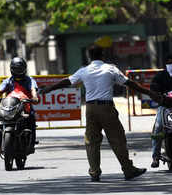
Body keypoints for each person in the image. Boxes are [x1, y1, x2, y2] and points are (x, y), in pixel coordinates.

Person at [40, 44, 162, 182]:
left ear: (89, 56)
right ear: (103, 55)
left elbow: (67, 81)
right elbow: (130, 83)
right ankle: (128, 169)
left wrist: (49, 89)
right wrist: (149, 93)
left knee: (91, 141)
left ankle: (94, 172)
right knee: (117, 139)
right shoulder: (110, 69)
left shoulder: (84, 71)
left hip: (91, 109)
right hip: (106, 108)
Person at [0, 57, 39, 154]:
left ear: (24, 69)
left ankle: (31, 143)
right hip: (9, 107)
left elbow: (33, 90)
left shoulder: (29, 80)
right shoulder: (8, 81)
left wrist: (34, 97)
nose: (18, 71)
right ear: (11, 69)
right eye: (16, 69)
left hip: (24, 107)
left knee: (31, 117)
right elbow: (0, 91)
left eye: (20, 69)